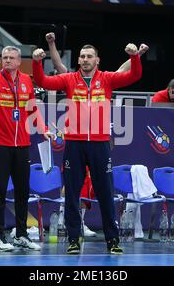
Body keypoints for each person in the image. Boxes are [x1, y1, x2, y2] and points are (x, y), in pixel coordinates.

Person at [32, 42, 142, 254]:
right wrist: (37, 62)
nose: (85, 59)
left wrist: (135, 57)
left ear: (97, 60)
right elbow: (42, 81)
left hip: (100, 144)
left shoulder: (107, 79)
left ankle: (112, 240)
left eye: (89, 56)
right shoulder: (69, 80)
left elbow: (134, 75)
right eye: (82, 56)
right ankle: (74, 240)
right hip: (74, 143)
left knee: (106, 194)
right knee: (72, 194)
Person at [0, 46, 52, 252]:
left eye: (11, 58)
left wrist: (43, 129)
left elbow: (33, 108)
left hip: (22, 145)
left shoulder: (26, 80)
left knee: (22, 192)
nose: (7, 61)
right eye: (4, 58)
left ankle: (21, 234)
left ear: (19, 62)